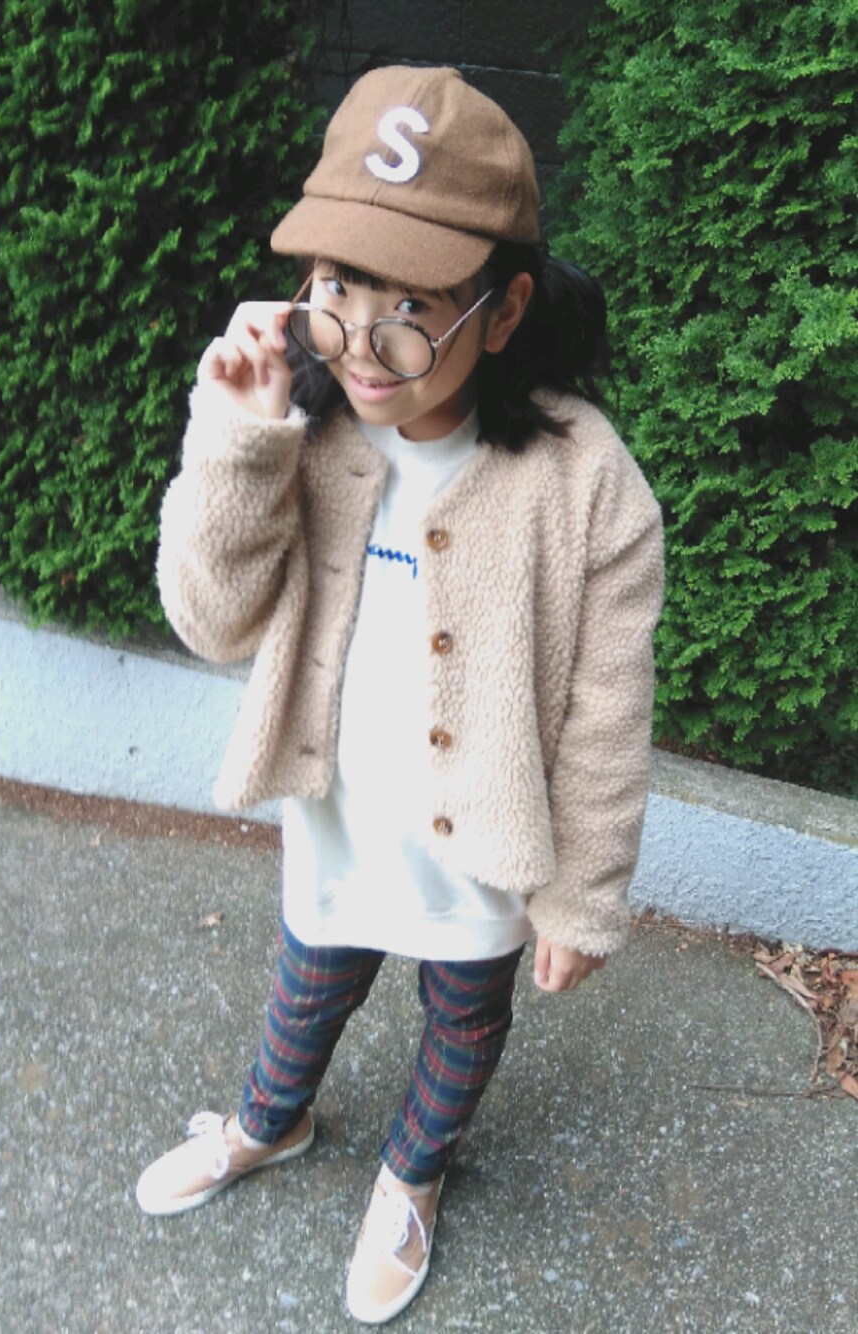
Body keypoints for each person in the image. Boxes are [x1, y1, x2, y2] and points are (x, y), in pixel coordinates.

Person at [138, 65, 664, 1325]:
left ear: (503, 306)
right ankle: (270, 1120)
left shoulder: (584, 482)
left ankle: (410, 1173)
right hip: (336, 820)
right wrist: (238, 435)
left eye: (411, 307)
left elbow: (605, 708)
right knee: (306, 984)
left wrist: (582, 893)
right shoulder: (300, 429)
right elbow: (211, 623)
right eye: (335, 289)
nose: (362, 346)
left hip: (484, 849)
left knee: (463, 1018)